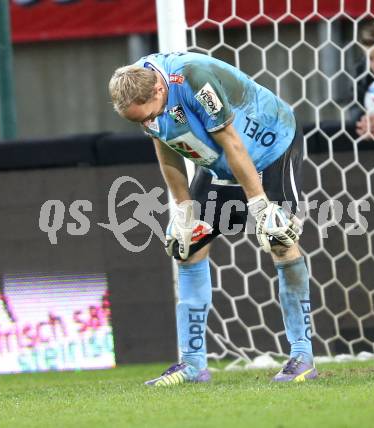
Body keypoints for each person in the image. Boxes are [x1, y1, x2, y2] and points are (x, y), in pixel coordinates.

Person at [109, 52, 317, 385]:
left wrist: (260, 205)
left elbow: (232, 142)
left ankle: (302, 355)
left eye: (147, 116)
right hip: (220, 162)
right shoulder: (143, 90)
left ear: (159, 92)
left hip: (271, 146)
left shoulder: (195, 78)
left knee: (279, 238)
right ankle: (192, 364)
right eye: (138, 121)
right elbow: (165, 146)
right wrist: (183, 210)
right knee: (190, 244)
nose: (145, 124)